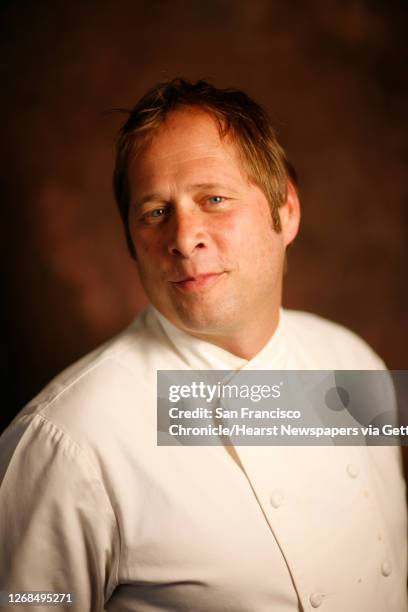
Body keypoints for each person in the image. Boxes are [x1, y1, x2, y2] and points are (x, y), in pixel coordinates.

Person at [0, 78, 406, 611]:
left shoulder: (355, 364)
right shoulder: (65, 442)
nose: (183, 237)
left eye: (213, 199)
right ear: (131, 242)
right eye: (154, 212)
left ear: (285, 213)